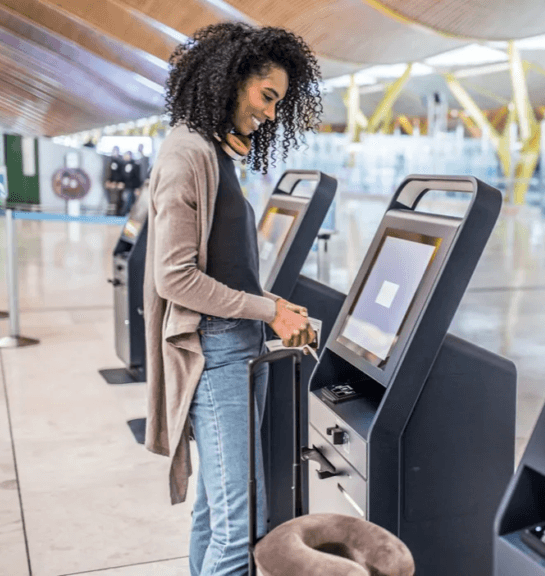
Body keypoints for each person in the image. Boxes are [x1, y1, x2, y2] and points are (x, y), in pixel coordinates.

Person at [142, 22, 324, 576]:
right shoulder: (186, 155)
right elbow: (175, 278)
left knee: (217, 513)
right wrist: (269, 310)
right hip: (219, 355)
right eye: (267, 96)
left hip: (238, 347)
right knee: (241, 529)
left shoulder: (214, 155)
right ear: (229, 79)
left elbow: (226, 271)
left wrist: (274, 306)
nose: (271, 113)